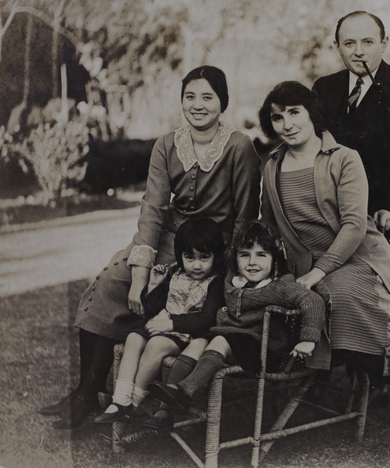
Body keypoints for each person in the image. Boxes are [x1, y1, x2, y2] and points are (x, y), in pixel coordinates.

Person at [40, 65, 262, 429]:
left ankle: (113, 393)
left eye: (208, 97)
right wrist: (140, 275)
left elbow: (244, 217)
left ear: (223, 102)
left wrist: (226, 269)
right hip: (166, 242)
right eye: (190, 96)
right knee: (112, 282)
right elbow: (152, 210)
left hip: (212, 249)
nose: (198, 105)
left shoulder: (239, 147)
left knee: (175, 293)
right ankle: (87, 391)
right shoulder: (166, 144)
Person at [257, 81, 390, 461]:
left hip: (358, 258)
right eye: (276, 117)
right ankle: (359, 370)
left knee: (381, 321)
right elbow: (268, 224)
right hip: (306, 268)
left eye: (294, 112)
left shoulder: (344, 158)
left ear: (312, 114)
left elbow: (352, 225)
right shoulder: (272, 165)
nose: (286, 124)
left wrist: (319, 272)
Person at [145, 220, 327, 425]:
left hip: (264, 350)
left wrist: (308, 340)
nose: (252, 262)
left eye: (261, 255)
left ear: (274, 258)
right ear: (235, 258)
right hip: (230, 342)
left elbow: (313, 301)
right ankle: (166, 409)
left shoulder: (280, 285)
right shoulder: (231, 279)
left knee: (220, 340)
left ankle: (185, 390)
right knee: (198, 342)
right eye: (244, 255)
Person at [312, 10, 390, 261]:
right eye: (349, 43)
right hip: (331, 216)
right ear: (337, 47)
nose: (359, 51)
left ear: (384, 44)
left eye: (368, 42)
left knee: (378, 294)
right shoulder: (324, 88)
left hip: (383, 218)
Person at [92, 218, 225, 424]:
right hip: (163, 325)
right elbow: (151, 309)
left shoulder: (215, 282)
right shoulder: (177, 274)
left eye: (204, 257)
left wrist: (170, 325)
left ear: (215, 257)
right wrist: (154, 285)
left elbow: (206, 319)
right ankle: (121, 399)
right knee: (134, 338)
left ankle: (134, 401)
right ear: (180, 256)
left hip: (188, 334)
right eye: (189, 257)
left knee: (155, 344)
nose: (196, 265)